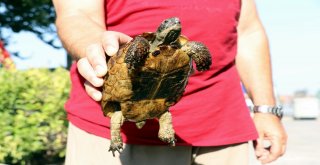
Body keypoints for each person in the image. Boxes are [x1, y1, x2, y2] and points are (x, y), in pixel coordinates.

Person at [53, 0, 287, 164]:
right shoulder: (143, 44)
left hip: (223, 125)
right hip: (121, 130)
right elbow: (76, 13)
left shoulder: (187, 47)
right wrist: (99, 50)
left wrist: (266, 109)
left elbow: (247, 31)